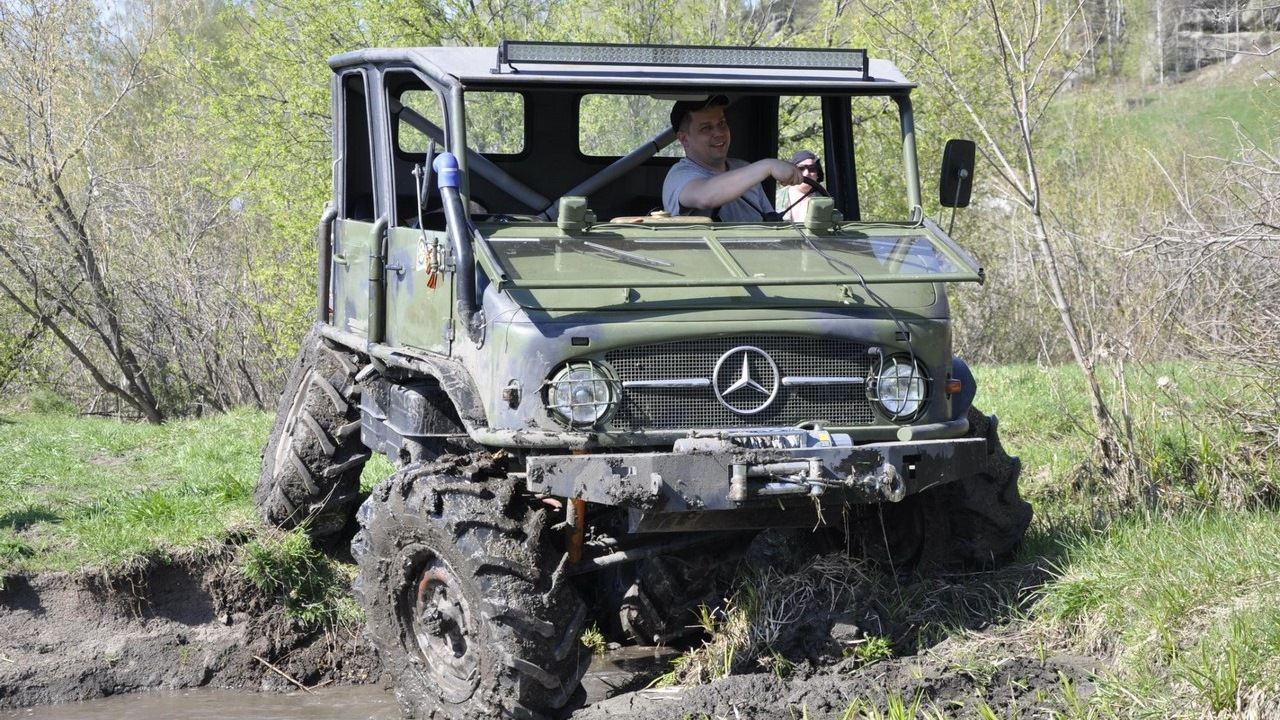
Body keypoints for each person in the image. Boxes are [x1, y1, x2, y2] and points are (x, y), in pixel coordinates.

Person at [663, 95, 804, 220]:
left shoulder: (744, 168)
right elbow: (705, 196)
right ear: (684, 139)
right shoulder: (679, 176)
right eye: (706, 128)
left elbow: (770, 221)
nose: (719, 133)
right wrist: (768, 166)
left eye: (722, 124)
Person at [777, 150, 823, 221]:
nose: (806, 173)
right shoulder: (777, 197)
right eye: (801, 168)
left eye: (812, 169)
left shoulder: (825, 200)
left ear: (817, 174)